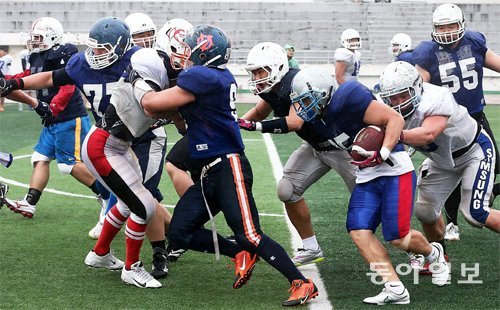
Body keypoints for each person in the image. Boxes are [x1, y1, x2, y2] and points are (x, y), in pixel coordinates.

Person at [140, 25, 318, 306]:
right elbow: (184, 126)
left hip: (227, 164)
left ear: (204, 50)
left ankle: (301, 282)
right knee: (179, 233)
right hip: (208, 170)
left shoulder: (202, 75)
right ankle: (238, 253)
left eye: (190, 47)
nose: (186, 53)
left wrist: (137, 83)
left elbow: (151, 104)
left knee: (249, 233)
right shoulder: (212, 76)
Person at [0, 16, 172, 279]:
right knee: (136, 200)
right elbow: (52, 77)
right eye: (93, 47)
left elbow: (168, 88)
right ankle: (126, 254)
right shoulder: (82, 62)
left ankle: (161, 249)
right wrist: (16, 82)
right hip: (112, 139)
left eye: (104, 48)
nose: (96, 54)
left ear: (122, 47)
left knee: (141, 198)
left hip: (145, 135)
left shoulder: (140, 58)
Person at [291, 67, 449, 305]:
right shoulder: (319, 117)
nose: (304, 106)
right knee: (358, 230)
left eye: (307, 99)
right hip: (366, 174)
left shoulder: (349, 96)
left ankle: (433, 253)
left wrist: (383, 153)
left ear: (323, 92)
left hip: (394, 169)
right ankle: (395, 288)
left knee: (397, 236)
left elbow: (394, 119)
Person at [239, 41, 356, 266]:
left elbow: (295, 121)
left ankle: (412, 246)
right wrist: (234, 124)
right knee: (287, 189)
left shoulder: (297, 82)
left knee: (371, 201)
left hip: (344, 148)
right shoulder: (273, 88)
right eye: (254, 73)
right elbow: (260, 111)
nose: (257, 77)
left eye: (260, 71)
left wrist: (256, 127)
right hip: (316, 146)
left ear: (278, 67)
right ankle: (310, 246)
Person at [379, 62, 499, 257]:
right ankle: (439, 257)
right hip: (440, 159)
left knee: (476, 213)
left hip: (473, 151)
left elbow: (428, 134)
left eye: (404, 95)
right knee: (425, 211)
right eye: (393, 97)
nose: (399, 102)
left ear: (417, 88)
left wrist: (391, 134)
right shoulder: (383, 106)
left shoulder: (436, 97)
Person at [0, 17, 106, 220]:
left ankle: (107, 195)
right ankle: (29, 203)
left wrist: (53, 107)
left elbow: (68, 84)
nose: (35, 41)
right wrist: (10, 82)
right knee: (39, 158)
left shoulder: (64, 52)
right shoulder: (37, 55)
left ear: (51, 35)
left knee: (69, 165)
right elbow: (30, 75)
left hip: (68, 116)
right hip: (52, 118)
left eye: (39, 37)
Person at [413, 3, 500, 242]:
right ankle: (451, 223)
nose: (447, 31)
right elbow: (418, 90)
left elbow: (496, 62)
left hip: (475, 118)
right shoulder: (427, 52)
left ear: (461, 24)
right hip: (446, 125)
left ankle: (480, 194)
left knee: (494, 165)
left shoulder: (474, 41)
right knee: (450, 169)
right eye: (442, 27)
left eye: (451, 25)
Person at [0, 46, 13, 112]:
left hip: (5, 75)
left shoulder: (7, 57)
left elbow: (9, 64)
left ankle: (1, 105)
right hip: (1, 75)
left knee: (3, 91)